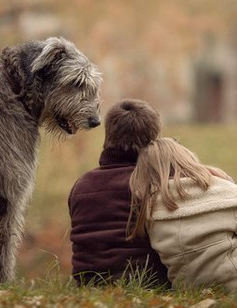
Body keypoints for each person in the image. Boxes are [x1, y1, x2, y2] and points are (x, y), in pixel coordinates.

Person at [127, 137, 237, 291]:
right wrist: (228, 184)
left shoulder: (150, 212)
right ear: (188, 160)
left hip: (185, 292)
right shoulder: (228, 197)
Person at [68, 99, 171, 287]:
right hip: (147, 283)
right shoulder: (154, 184)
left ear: (108, 135)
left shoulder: (81, 186)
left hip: (89, 283)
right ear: (153, 141)